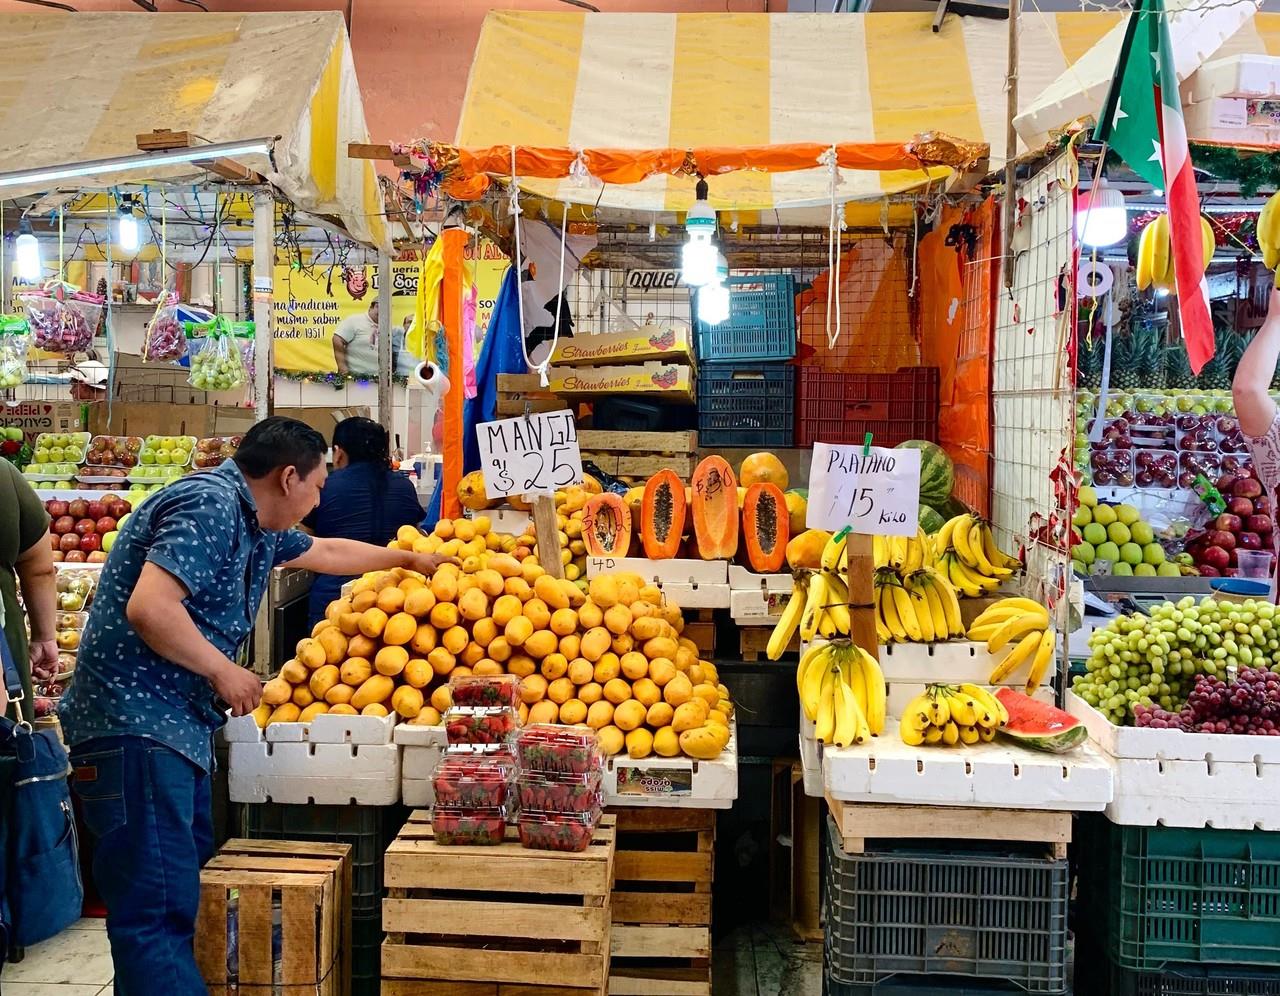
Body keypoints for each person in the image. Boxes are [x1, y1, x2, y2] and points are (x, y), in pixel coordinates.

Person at [58, 416, 453, 994]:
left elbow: (325, 550)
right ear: (288, 477)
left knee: (171, 899)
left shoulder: (258, 520)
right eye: (318, 485)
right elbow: (151, 607)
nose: (321, 496)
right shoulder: (210, 506)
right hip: (135, 728)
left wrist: (408, 561)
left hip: (172, 731)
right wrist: (223, 670)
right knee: (156, 912)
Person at [302, 416, 424, 627]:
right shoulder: (405, 487)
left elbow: (307, 539)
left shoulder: (325, 486)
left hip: (335, 602)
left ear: (338, 452)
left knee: (326, 656)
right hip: (392, 599)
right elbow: (412, 535)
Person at [0, 458, 57, 722]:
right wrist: (44, 637)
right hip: (5, 650)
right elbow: (39, 567)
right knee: (11, 746)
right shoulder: (3, 473)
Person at [332, 300, 379, 378]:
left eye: (384, 308)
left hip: (379, 379)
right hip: (355, 378)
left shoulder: (387, 326)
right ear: (371, 307)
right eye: (378, 307)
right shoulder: (354, 320)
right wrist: (342, 367)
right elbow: (337, 339)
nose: (381, 311)